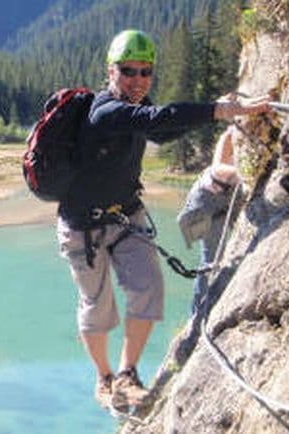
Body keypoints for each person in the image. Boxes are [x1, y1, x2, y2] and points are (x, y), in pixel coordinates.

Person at [55, 29, 272, 409]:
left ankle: (128, 373)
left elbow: (162, 129)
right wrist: (216, 108)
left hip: (126, 217)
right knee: (97, 305)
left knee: (149, 287)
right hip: (82, 228)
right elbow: (157, 117)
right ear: (111, 71)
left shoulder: (136, 107)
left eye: (145, 72)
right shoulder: (105, 112)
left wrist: (215, 114)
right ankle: (104, 378)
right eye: (128, 71)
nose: (138, 80)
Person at [178, 124, 244, 315]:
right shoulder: (224, 168)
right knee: (210, 258)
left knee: (214, 256)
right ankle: (199, 312)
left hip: (212, 205)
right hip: (204, 210)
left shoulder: (230, 138)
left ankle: (200, 309)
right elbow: (231, 172)